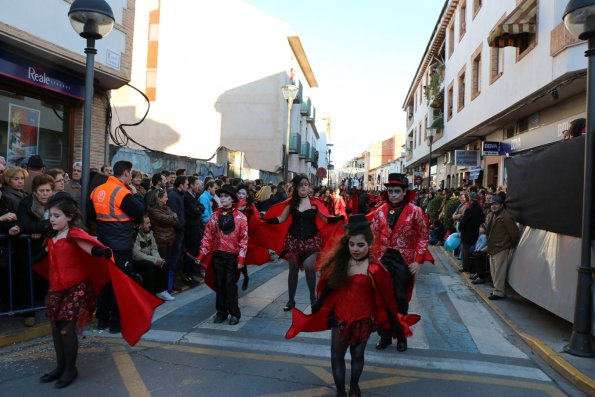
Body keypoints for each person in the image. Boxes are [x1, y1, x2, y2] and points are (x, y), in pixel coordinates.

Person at [285, 214, 420, 397]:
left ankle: (354, 385)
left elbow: (386, 300)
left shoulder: (375, 269)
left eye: (360, 245)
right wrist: (318, 305)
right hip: (339, 319)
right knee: (337, 357)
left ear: (369, 245)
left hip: (363, 321)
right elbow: (328, 288)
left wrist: (395, 324)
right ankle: (341, 392)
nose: (355, 249)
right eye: (351, 244)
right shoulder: (339, 263)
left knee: (357, 357)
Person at [36, 197, 162, 389]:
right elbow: (44, 257)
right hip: (56, 288)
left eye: (56, 216)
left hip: (76, 288)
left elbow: (91, 249)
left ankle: (70, 369)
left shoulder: (73, 234)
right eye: (50, 216)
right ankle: (60, 367)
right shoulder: (50, 237)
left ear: (68, 217)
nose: (52, 219)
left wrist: (101, 252)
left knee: (66, 328)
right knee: (55, 328)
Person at [258, 174, 345, 311]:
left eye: (306, 184)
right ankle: (291, 300)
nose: (303, 187)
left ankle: (313, 297)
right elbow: (281, 219)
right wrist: (266, 221)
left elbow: (327, 219)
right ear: (297, 188)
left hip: (312, 239)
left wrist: (339, 218)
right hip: (293, 240)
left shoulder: (315, 203)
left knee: (309, 266)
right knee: (293, 269)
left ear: (309, 187)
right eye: (301, 185)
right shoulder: (291, 203)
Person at [369, 173, 433, 352]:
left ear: (404, 192)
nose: (393, 194)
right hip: (382, 259)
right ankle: (385, 336)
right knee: (381, 298)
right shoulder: (380, 211)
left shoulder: (415, 211)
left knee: (400, 298)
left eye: (397, 191)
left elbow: (423, 237)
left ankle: (401, 335)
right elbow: (372, 234)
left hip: (403, 260)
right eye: (390, 191)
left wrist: (419, 261)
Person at [90, 160, 145, 332]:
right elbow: (139, 212)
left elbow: (92, 215)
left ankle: (102, 320)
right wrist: (135, 195)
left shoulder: (97, 190)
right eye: (130, 175)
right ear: (127, 174)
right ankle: (116, 324)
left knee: (106, 282)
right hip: (121, 244)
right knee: (120, 284)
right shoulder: (122, 192)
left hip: (103, 242)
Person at [196, 184, 248, 325]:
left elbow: (244, 239)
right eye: (221, 196)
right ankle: (221, 312)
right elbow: (207, 237)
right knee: (219, 285)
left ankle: (234, 313)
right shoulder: (214, 216)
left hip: (232, 257)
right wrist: (201, 255)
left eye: (226, 196)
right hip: (218, 256)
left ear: (232, 199)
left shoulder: (241, 218)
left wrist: (241, 259)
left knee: (230, 285)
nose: (223, 198)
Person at [485, 195, 519, 300]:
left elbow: (514, 233)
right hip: (493, 247)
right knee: (494, 271)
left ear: (501, 205)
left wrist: (508, 245)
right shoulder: (493, 215)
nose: (494, 206)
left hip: (501, 247)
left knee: (499, 272)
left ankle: (499, 292)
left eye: (496, 204)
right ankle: (496, 289)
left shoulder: (506, 216)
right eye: (492, 205)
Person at [147, 189, 178, 300]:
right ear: (159, 198)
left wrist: (172, 217)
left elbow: (174, 219)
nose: (167, 198)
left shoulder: (167, 208)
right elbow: (166, 219)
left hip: (169, 239)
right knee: (161, 265)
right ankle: (160, 290)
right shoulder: (153, 210)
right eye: (165, 196)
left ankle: (164, 289)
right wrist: (172, 217)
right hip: (160, 240)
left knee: (166, 265)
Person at [133, 215, 166, 295]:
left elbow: (154, 249)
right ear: (140, 225)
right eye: (147, 223)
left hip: (148, 258)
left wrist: (158, 259)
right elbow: (136, 254)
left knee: (163, 263)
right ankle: (150, 294)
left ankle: (161, 291)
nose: (150, 225)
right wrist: (154, 260)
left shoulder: (150, 233)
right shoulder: (135, 235)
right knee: (149, 266)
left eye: (149, 222)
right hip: (137, 261)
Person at [183, 176, 205, 284]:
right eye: (196, 184)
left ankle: (195, 271)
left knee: (197, 251)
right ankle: (189, 274)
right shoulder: (186, 197)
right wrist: (198, 210)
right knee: (190, 252)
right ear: (191, 185)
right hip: (190, 229)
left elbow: (201, 208)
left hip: (197, 227)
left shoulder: (195, 196)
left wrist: (198, 209)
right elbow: (194, 212)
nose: (198, 186)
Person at [167, 176, 188, 290]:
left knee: (179, 258)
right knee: (174, 258)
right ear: (181, 185)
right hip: (176, 233)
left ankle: (176, 281)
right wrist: (180, 226)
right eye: (186, 184)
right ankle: (172, 284)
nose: (187, 186)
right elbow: (174, 216)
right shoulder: (173, 196)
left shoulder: (179, 195)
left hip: (180, 232)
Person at [457, 192, 484, 272]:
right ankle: (472, 267)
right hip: (476, 233)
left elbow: (464, 221)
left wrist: (460, 227)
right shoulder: (479, 209)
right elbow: (481, 220)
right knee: (472, 250)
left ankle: (466, 267)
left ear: (471, 199)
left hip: (467, 233)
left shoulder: (469, 209)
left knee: (465, 250)